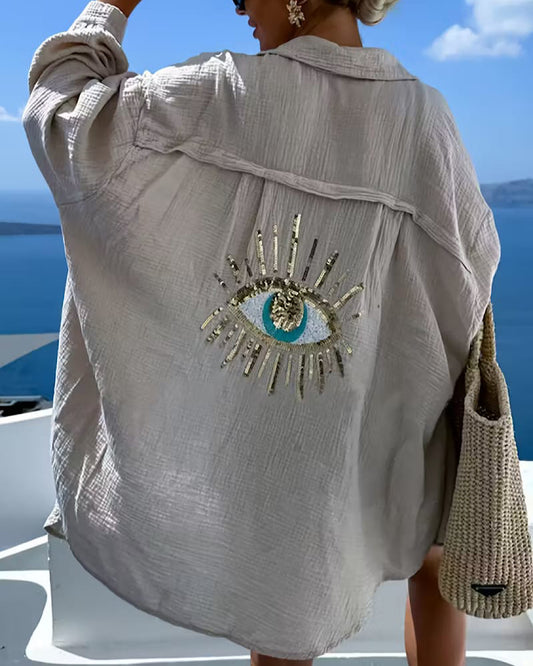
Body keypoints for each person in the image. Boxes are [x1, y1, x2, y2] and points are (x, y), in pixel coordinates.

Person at [23, 1, 499, 666]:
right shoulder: (427, 118)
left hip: (273, 439)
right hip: (392, 419)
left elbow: (64, 117)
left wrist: (115, 5)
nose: (241, 6)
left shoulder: (223, 94)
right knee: (433, 563)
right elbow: (471, 265)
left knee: (279, 599)